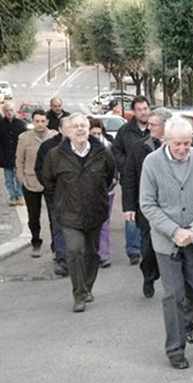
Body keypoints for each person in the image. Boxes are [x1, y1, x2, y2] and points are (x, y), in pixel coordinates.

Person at [140, 117, 193, 369]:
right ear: (165, 140)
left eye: (187, 143)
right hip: (167, 241)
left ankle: (185, 321)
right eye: (177, 144)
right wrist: (174, 231)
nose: (183, 148)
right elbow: (147, 204)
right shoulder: (151, 162)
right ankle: (175, 349)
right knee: (173, 294)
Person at [43, 113, 115, 313]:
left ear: (89, 128)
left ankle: (87, 287)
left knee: (92, 253)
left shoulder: (103, 152)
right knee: (75, 251)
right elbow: (48, 182)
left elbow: (109, 176)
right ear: (68, 131)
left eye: (83, 125)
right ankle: (79, 294)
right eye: (75, 126)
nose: (80, 129)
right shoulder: (55, 155)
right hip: (69, 214)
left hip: (95, 212)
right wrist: (60, 202)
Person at [122, 108, 172, 298]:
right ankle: (149, 275)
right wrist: (129, 206)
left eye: (153, 124)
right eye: (148, 124)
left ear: (166, 126)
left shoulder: (178, 146)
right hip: (147, 206)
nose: (149, 128)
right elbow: (129, 177)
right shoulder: (139, 147)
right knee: (148, 248)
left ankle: (174, 283)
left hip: (173, 207)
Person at [113, 95, 150, 265]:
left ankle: (149, 246)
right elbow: (116, 152)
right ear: (134, 112)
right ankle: (133, 250)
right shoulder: (125, 131)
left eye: (145, 108)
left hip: (151, 179)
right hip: (130, 180)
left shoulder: (155, 128)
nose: (143, 112)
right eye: (139, 109)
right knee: (131, 212)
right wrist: (127, 165)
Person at [15, 109, 58, 257]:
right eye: (37, 121)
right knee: (33, 216)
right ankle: (36, 242)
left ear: (47, 122)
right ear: (32, 122)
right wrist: (21, 179)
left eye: (42, 121)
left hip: (50, 183)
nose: (40, 124)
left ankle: (56, 245)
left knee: (54, 215)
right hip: (31, 182)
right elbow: (19, 160)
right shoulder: (24, 138)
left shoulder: (54, 136)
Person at [34, 116, 71, 276]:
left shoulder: (82, 144)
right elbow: (40, 170)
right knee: (58, 226)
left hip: (78, 195)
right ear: (60, 129)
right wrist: (51, 189)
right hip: (56, 195)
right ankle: (62, 260)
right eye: (68, 127)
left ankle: (77, 257)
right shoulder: (48, 147)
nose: (72, 130)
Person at [89, 118, 117, 269]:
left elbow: (114, 168)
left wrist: (112, 182)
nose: (96, 136)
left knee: (104, 222)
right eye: (93, 133)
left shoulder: (108, 147)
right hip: (87, 192)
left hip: (106, 191)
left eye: (98, 133)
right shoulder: (82, 149)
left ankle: (104, 254)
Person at [0, 101, 26, 206]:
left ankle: (20, 195)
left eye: (11, 110)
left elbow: (25, 142)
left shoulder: (21, 124)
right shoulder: (1, 124)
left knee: (19, 177)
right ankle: (12, 196)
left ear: (14, 111)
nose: (9, 112)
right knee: (8, 179)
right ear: (3, 112)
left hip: (18, 156)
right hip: (5, 156)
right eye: (6, 110)